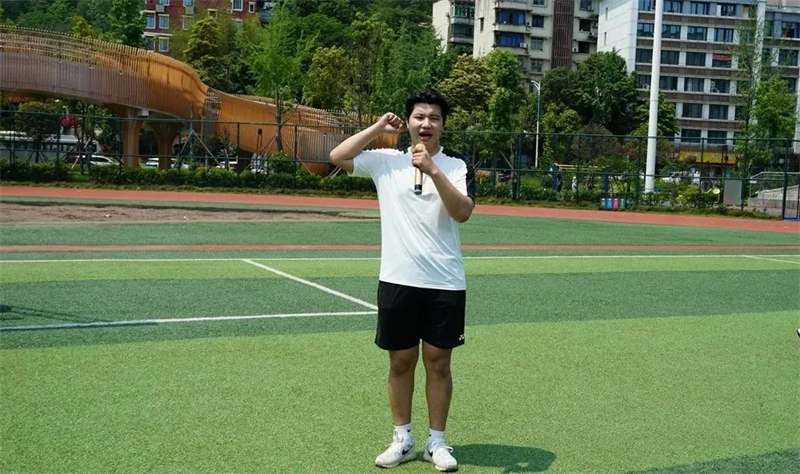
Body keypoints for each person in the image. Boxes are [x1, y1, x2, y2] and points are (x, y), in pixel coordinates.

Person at [329, 89, 475, 472]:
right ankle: (403, 439)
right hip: (397, 280)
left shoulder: (456, 166)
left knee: (438, 363)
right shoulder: (386, 162)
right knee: (400, 362)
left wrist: (433, 170)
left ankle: (436, 442)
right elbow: (337, 156)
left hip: (445, 281)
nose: (426, 124)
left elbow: (462, 212)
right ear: (408, 122)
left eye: (434, 118)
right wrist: (377, 127)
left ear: (443, 125)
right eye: (419, 117)